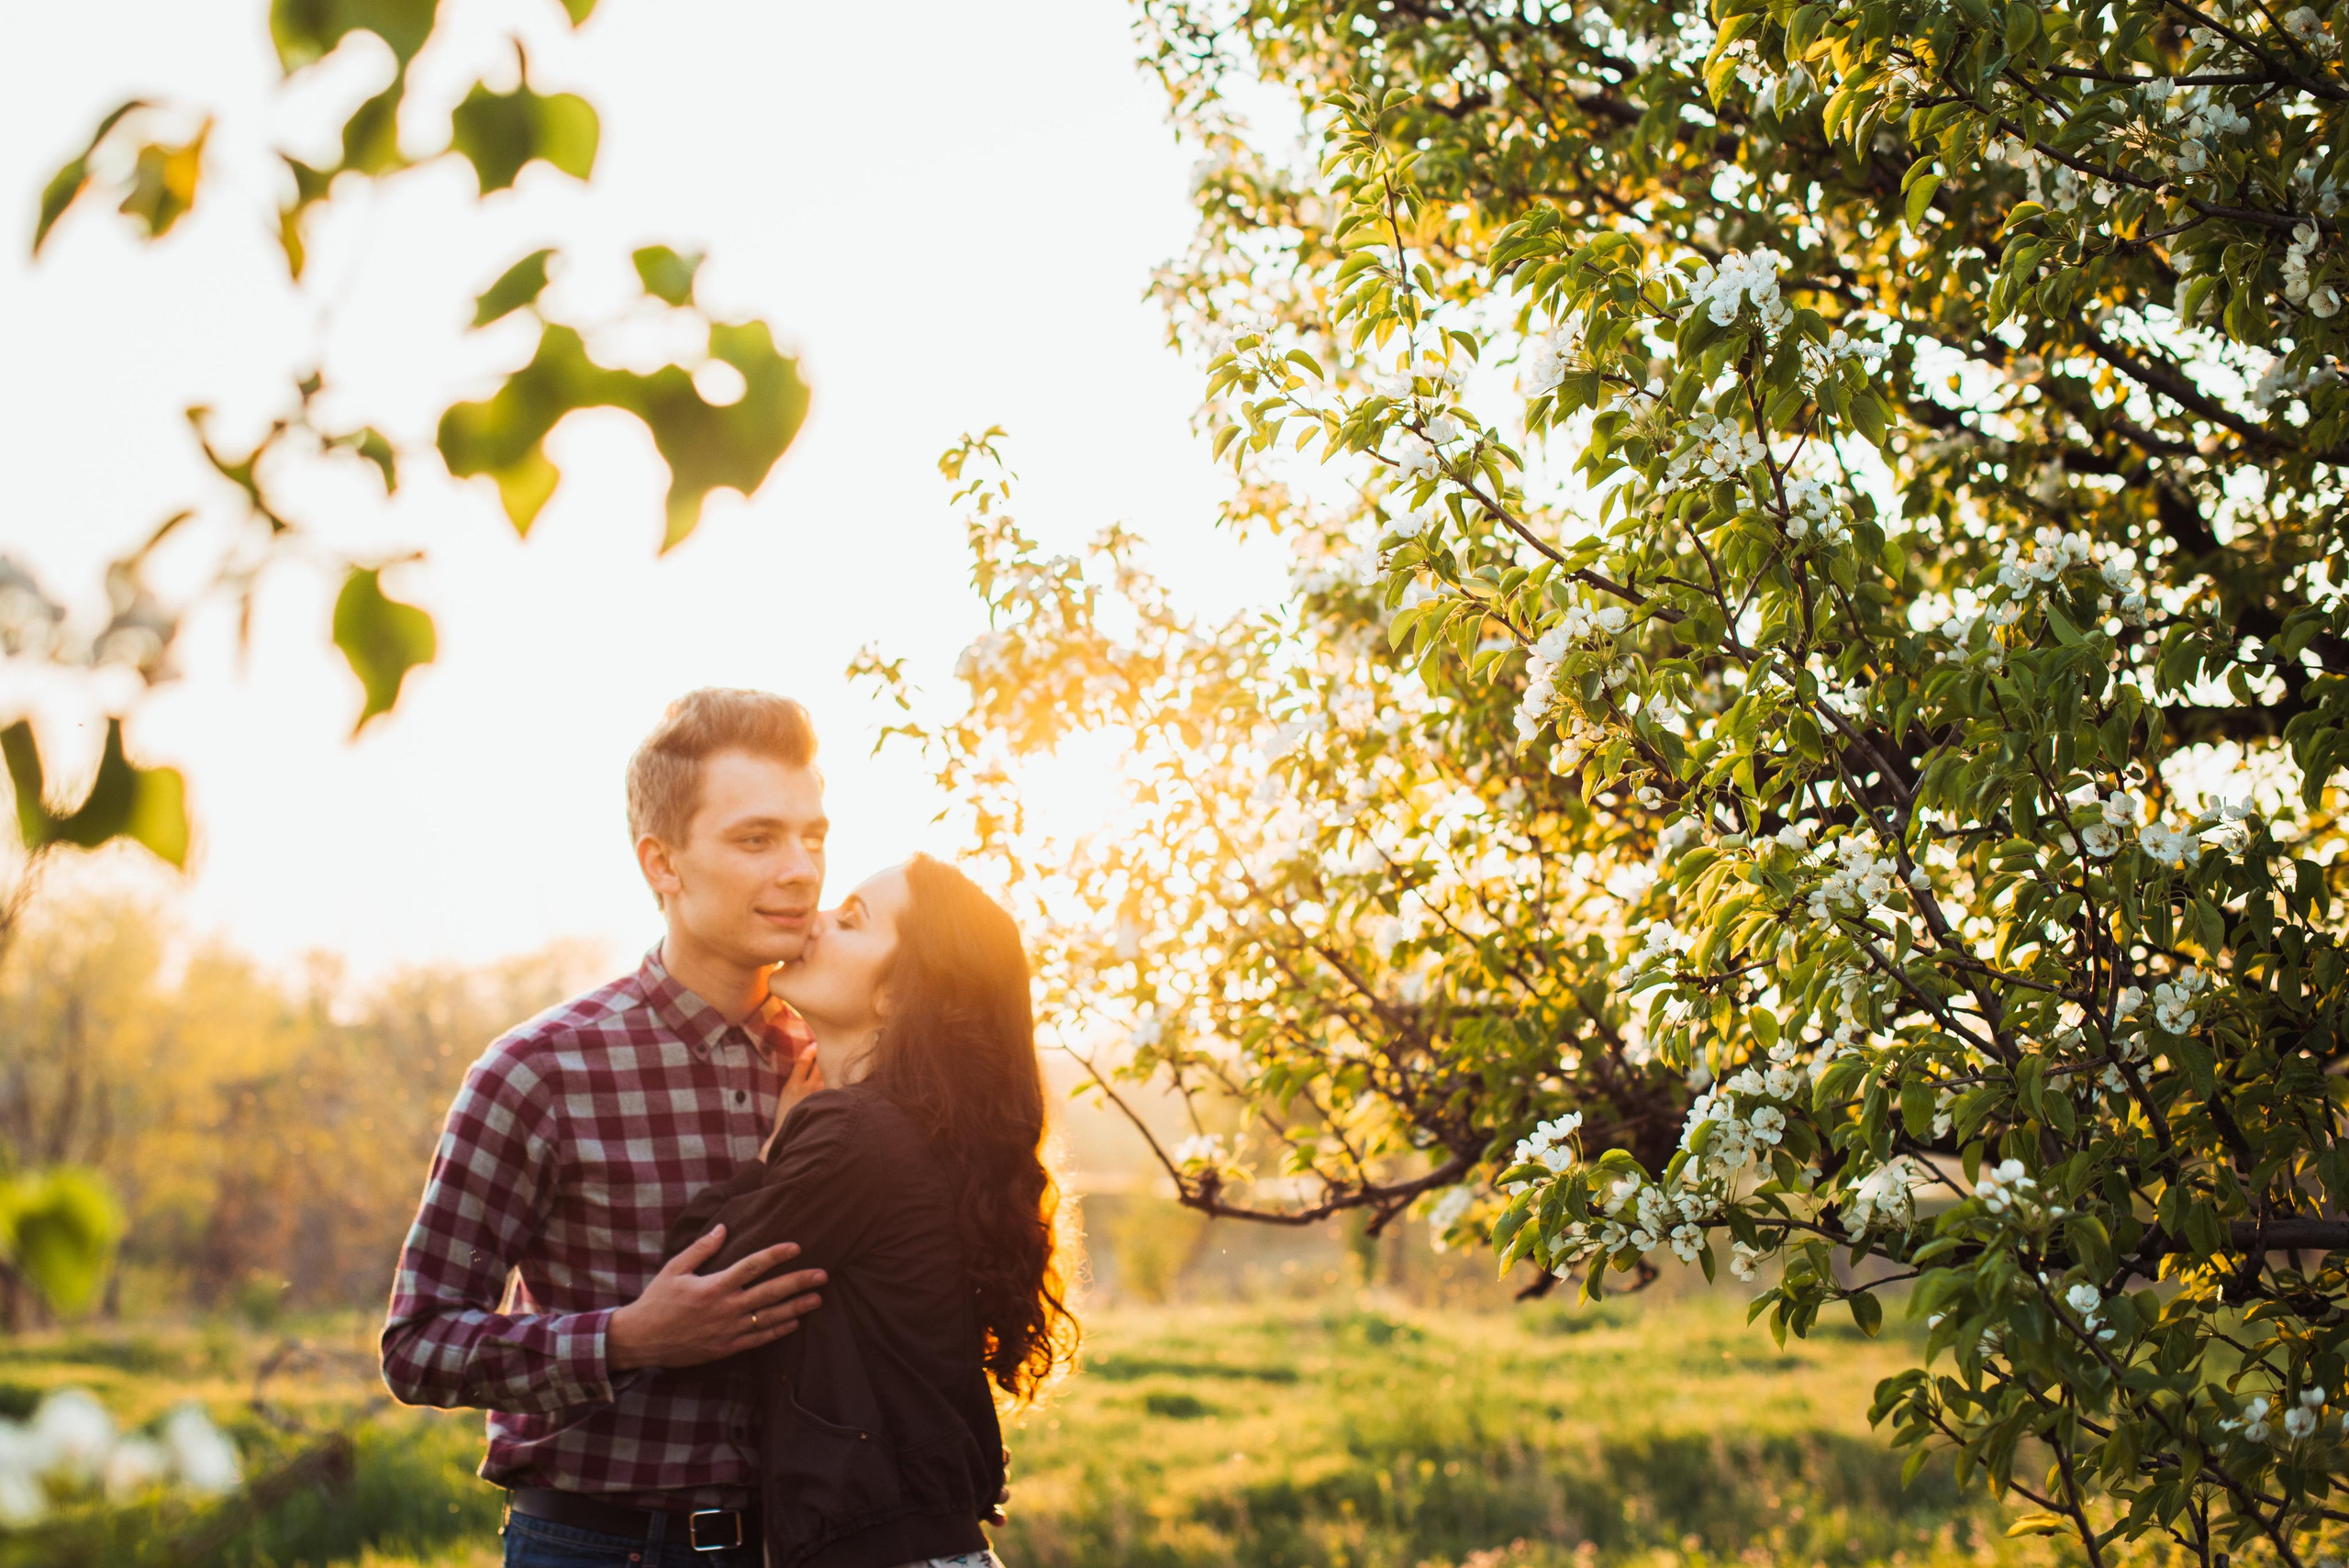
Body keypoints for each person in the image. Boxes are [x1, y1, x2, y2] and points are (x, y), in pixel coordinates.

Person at [382, 688, 836, 1568]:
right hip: (598, 1547)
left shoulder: (835, 1066)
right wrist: (626, 1337)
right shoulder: (539, 1071)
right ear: (661, 862)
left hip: (805, 1545)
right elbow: (417, 1344)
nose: (801, 868)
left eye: (812, 834)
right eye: (757, 838)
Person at [662, 854, 1079, 1568]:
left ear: (897, 992)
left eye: (849, 919)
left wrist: (772, 1153)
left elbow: (699, 1273)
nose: (812, 920)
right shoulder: (917, 1131)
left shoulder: (857, 1135)